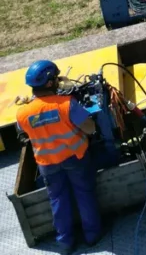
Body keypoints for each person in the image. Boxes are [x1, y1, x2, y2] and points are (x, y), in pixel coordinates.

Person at [16, 60, 102, 254]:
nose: (57, 80)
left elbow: (24, 132)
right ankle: (92, 235)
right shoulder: (66, 105)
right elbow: (90, 128)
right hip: (75, 158)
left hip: (47, 164)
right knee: (84, 194)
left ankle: (65, 242)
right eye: (55, 78)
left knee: (58, 200)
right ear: (48, 83)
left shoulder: (22, 113)